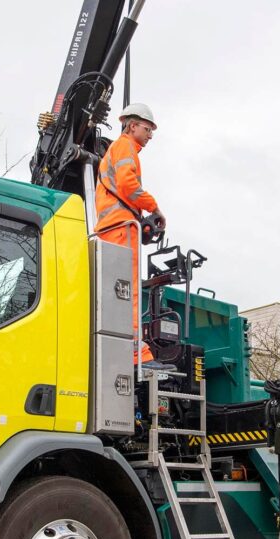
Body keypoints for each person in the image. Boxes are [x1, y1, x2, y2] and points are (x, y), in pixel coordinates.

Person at [95, 103, 166, 364]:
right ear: (132, 125)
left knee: (116, 291)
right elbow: (129, 186)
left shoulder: (115, 150)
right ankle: (137, 352)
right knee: (129, 291)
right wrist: (154, 207)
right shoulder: (124, 146)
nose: (150, 135)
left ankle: (123, 345)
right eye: (148, 129)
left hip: (112, 227)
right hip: (122, 228)